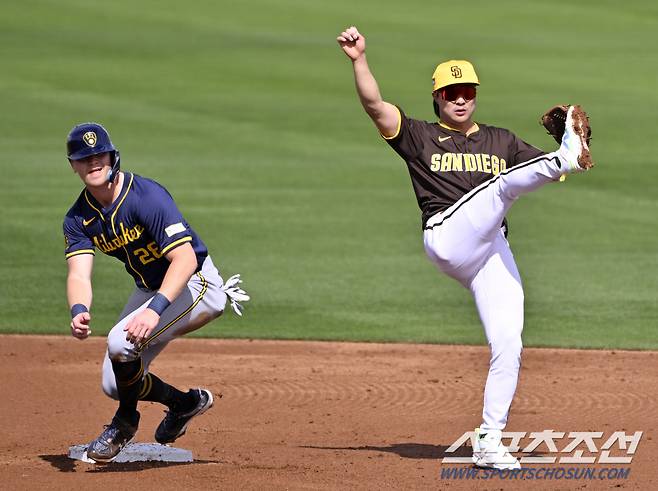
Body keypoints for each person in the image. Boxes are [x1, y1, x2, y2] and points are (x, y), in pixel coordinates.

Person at [337, 26, 592, 469]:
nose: (459, 99)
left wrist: (570, 146)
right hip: (447, 237)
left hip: (490, 251)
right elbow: (375, 106)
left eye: (466, 91)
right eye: (450, 92)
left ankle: (490, 440)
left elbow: (549, 172)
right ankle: (562, 155)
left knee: (508, 343)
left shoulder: (502, 140)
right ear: (436, 97)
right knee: (499, 189)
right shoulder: (418, 136)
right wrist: (359, 60)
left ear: (475, 94)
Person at [63, 122, 249, 463]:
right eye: (83, 158)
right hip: (153, 289)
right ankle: (184, 404)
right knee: (115, 382)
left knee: (121, 344)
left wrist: (154, 310)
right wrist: (78, 308)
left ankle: (124, 423)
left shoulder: (145, 196)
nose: (93, 163)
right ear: (73, 165)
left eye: (99, 155)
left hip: (197, 285)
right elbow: (78, 272)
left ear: (113, 157)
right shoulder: (78, 218)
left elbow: (185, 256)